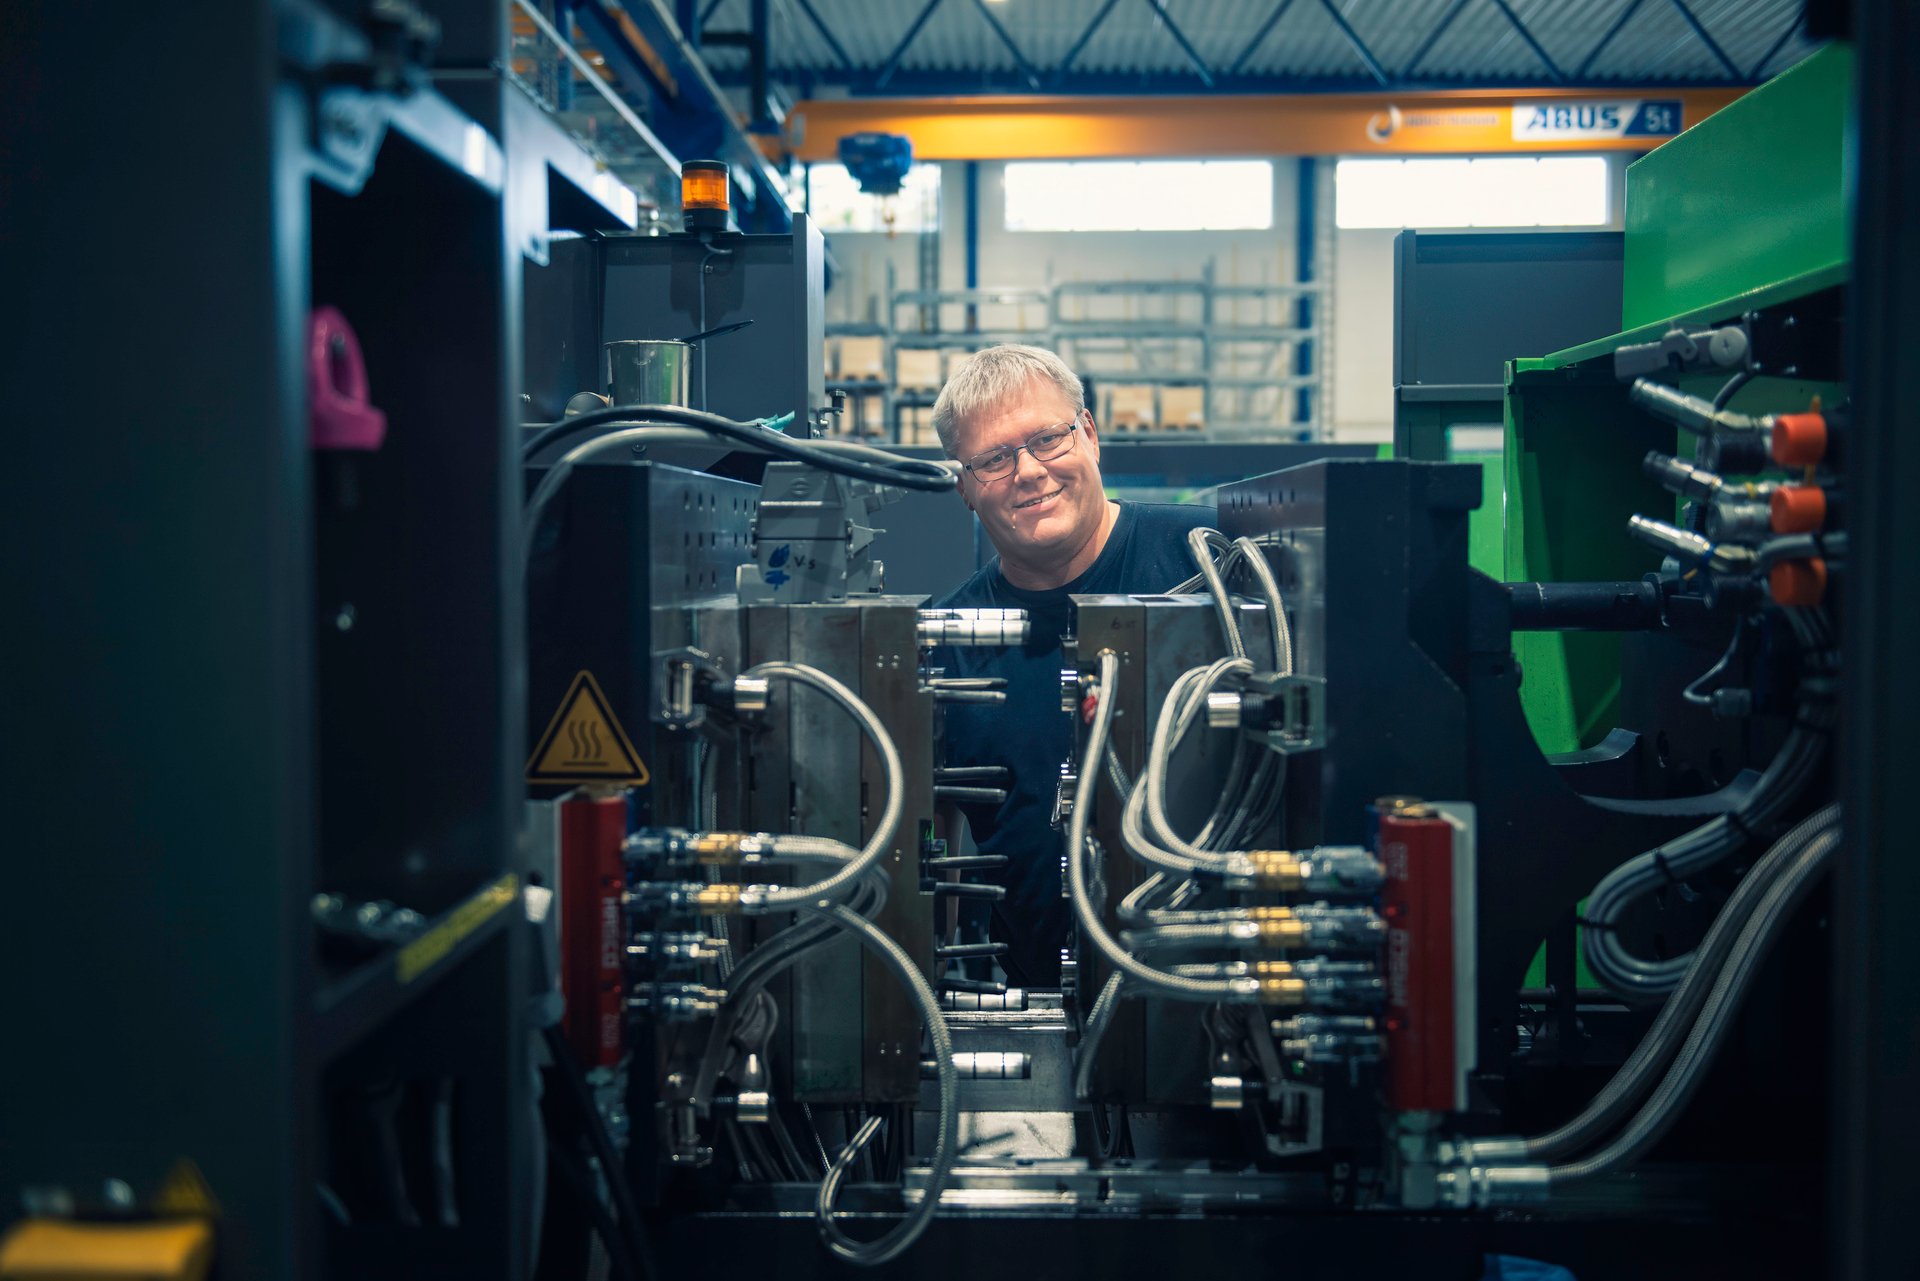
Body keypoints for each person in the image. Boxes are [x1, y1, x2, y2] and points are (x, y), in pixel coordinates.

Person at [926, 345, 1214, 987]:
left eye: (1048, 439)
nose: (1028, 472)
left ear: (1089, 434)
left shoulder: (1215, 561)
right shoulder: (945, 640)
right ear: (964, 488)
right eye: (994, 459)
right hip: (1038, 1015)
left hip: (1225, 987)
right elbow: (928, 854)